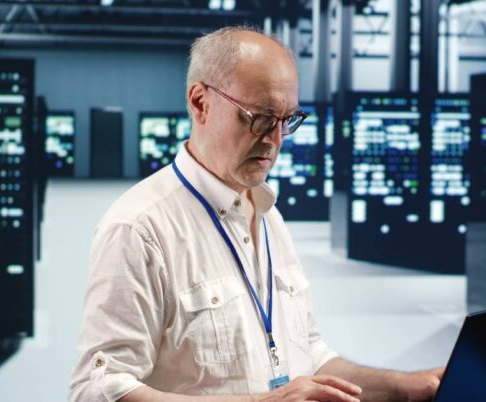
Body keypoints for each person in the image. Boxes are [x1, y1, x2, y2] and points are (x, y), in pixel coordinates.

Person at [70, 26, 443, 402]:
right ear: (200, 102)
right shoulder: (140, 228)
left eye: (287, 120)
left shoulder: (268, 216)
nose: (275, 140)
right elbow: (98, 391)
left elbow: (305, 356)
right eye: (261, 118)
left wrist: (405, 387)